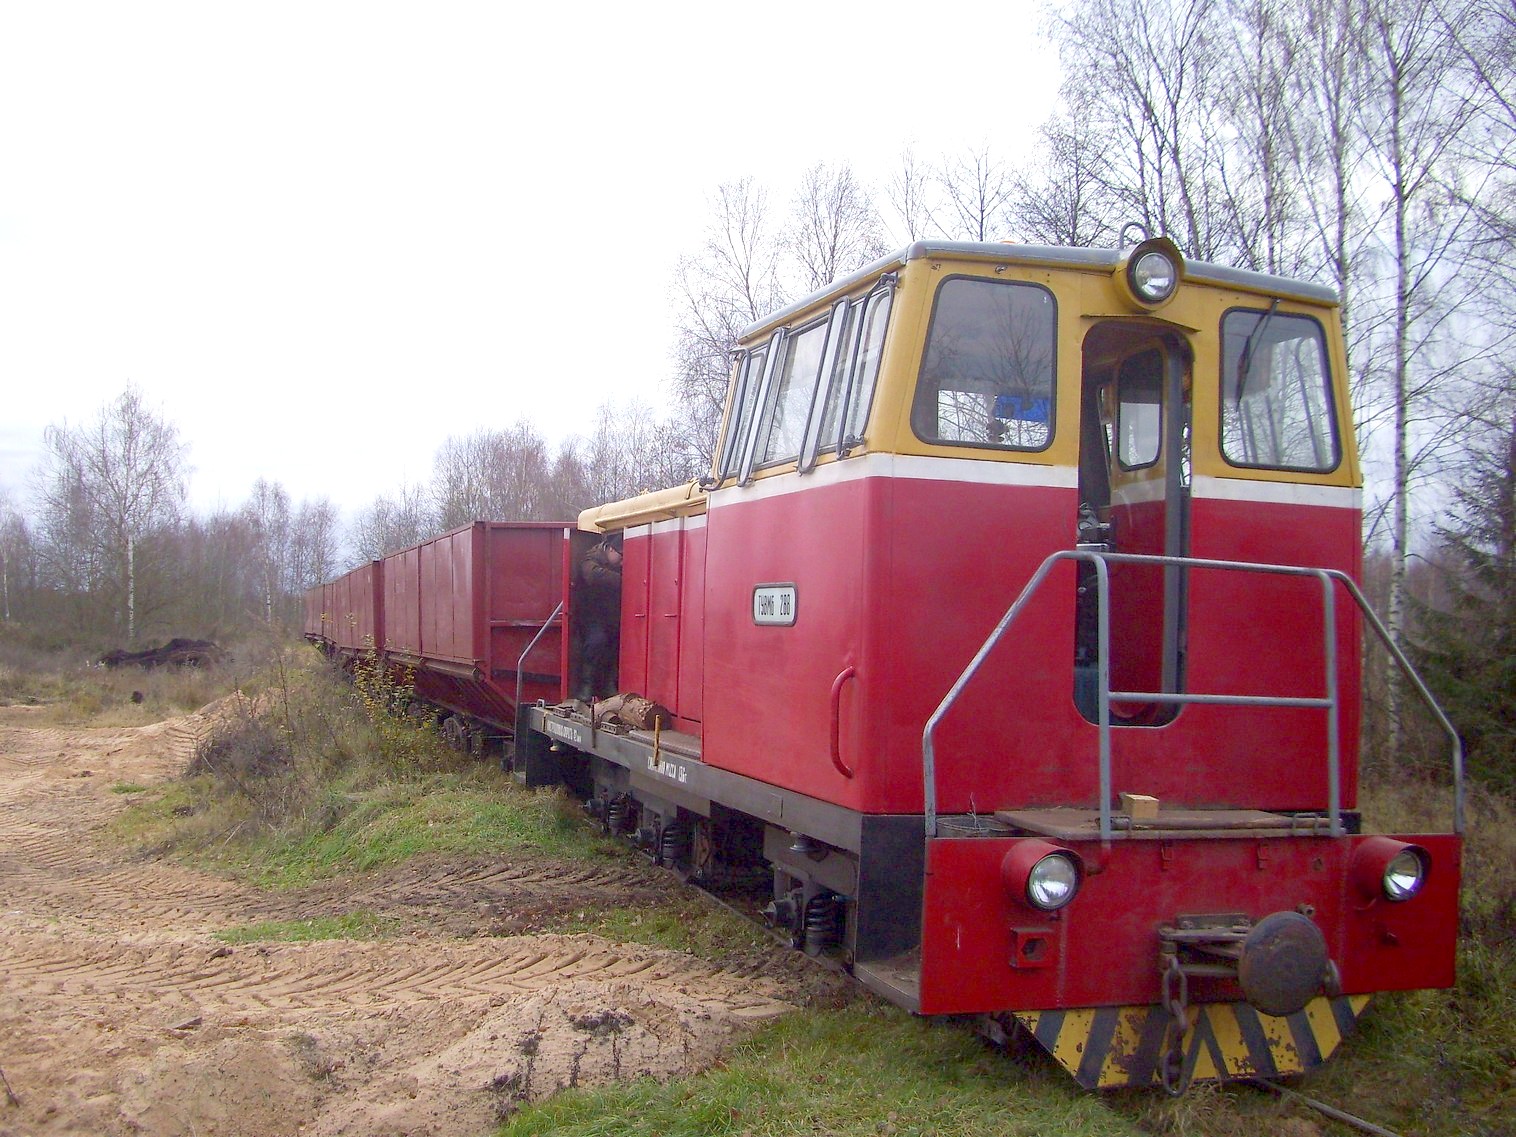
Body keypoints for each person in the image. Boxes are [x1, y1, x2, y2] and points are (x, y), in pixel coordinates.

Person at [576, 531, 622, 700]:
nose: (623, 561)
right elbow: (594, 576)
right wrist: (625, 579)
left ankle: (608, 683)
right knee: (596, 641)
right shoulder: (591, 559)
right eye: (621, 556)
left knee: (615, 644)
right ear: (610, 549)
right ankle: (586, 685)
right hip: (592, 616)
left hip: (612, 616)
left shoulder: (613, 563)